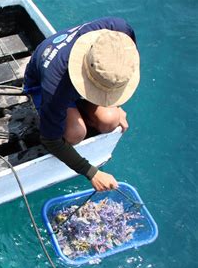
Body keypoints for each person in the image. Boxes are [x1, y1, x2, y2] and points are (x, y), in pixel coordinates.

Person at [23, 17, 140, 191]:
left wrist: (116, 105)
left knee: (110, 120)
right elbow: (50, 140)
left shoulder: (119, 29)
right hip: (44, 83)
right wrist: (92, 172)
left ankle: (81, 109)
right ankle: (74, 112)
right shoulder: (54, 87)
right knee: (75, 134)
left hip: (80, 77)